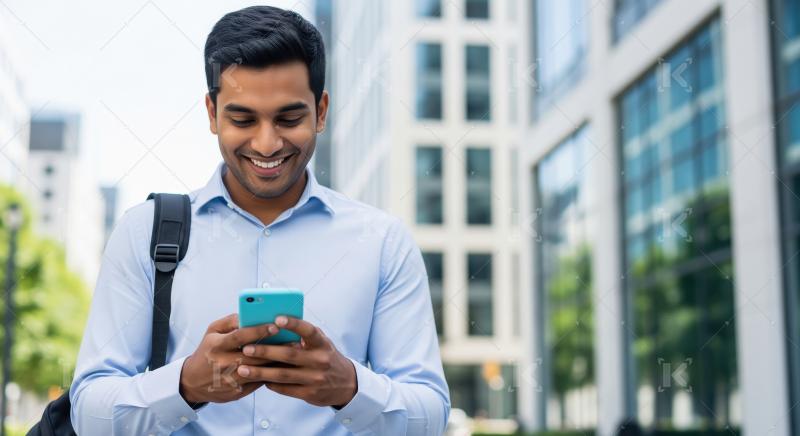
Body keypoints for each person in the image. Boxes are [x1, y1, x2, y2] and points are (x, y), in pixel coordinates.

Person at [68, 5, 450, 435]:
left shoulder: (382, 242)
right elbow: (89, 415)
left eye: (289, 118)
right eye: (242, 119)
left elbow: (430, 416)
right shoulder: (143, 232)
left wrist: (349, 387)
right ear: (212, 114)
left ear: (321, 111)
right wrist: (185, 384)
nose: (267, 144)